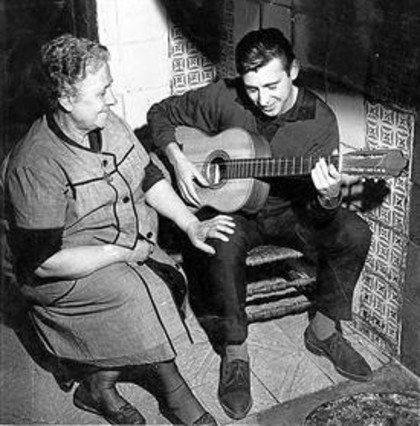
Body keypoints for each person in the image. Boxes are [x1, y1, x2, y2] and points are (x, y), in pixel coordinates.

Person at [4, 34, 236, 425]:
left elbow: (148, 176)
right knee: (142, 297)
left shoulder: (108, 123)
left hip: (123, 245)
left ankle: (98, 387)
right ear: (66, 100)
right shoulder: (35, 163)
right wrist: (121, 253)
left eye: (108, 87)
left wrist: (191, 223)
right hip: (61, 270)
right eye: (101, 93)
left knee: (168, 281)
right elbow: (43, 262)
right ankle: (175, 395)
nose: (111, 100)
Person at [147, 27, 373, 420]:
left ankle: (323, 330)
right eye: (252, 88)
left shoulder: (319, 121)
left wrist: (329, 195)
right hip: (235, 210)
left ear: (293, 71)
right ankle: (235, 352)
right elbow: (159, 114)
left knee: (354, 231)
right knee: (221, 240)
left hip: (291, 211)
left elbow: (321, 214)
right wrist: (178, 158)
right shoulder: (225, 95)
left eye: (272, 86)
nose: (262, 99)